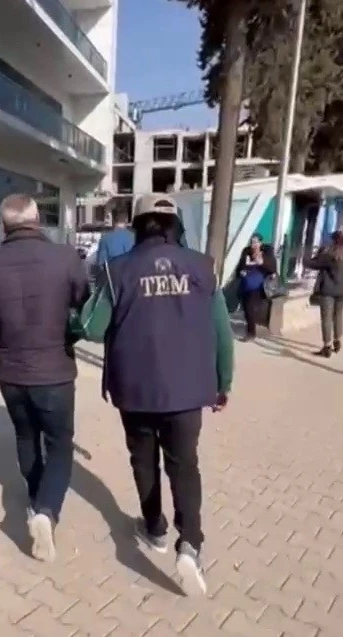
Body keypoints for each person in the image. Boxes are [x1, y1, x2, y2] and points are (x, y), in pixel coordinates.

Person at [102, 193, 234, 596]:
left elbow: (92, 326)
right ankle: (190, 542)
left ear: (137, 225)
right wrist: (223, 381)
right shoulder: (202, 266)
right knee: (184, 464)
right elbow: (222, 330)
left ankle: (155, 528)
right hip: (187, 389)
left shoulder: (117, 269)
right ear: (176, 225)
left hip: (135, 387)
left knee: (143, 459)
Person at [0, 193, 90, 562]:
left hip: (10, 370)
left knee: (25, 436)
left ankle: (35, 498)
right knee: (59, 443)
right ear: (37, 220)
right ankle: (46, 510)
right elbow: (83, 301)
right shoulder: (65, 257)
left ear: (4, 224)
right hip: (55, 369)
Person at [304, 229, 343, 357]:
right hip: (342, 292)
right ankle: (338, 340)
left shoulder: (329, 253)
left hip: (328, 290)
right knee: (338, 316)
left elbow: (312, 264)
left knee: (327, 318)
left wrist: (307, 256)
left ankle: (327, 346)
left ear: (334, 240)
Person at [236, 233, 277, 341]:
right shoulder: (246, 252)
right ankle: (251, 328)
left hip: (259, 285)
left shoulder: (267, 252)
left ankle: (251, 333)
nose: (253, 245)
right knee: (246, 308)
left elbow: (272, 268)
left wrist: (262, 263)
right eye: (251, 242)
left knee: (250, 307)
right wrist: (241, 271)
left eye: (255, 242)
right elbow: (240, 266)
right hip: (245, 284)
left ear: (260, 243)